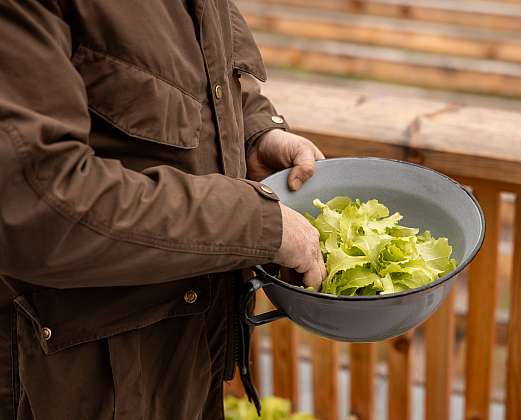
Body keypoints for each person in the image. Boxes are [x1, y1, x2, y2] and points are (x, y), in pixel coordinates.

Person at [0, 0, 327, 419]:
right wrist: (258, 223)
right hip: (76, 382)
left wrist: (252, 136)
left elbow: (203, 77)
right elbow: (36, 205)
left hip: (185, 355)